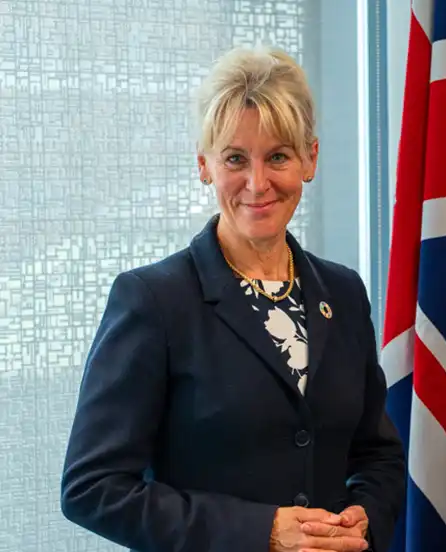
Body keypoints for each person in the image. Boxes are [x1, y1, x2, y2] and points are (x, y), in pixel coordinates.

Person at [60, 45, 406, 552]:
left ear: (310, 159)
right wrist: (260, 531)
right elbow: (92, 489)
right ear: (205, 166)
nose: (257, 183)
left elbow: (378, 453)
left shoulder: (345, 293)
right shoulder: (153, 300)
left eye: (279, 157)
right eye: (236, 159)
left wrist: (366, 519)